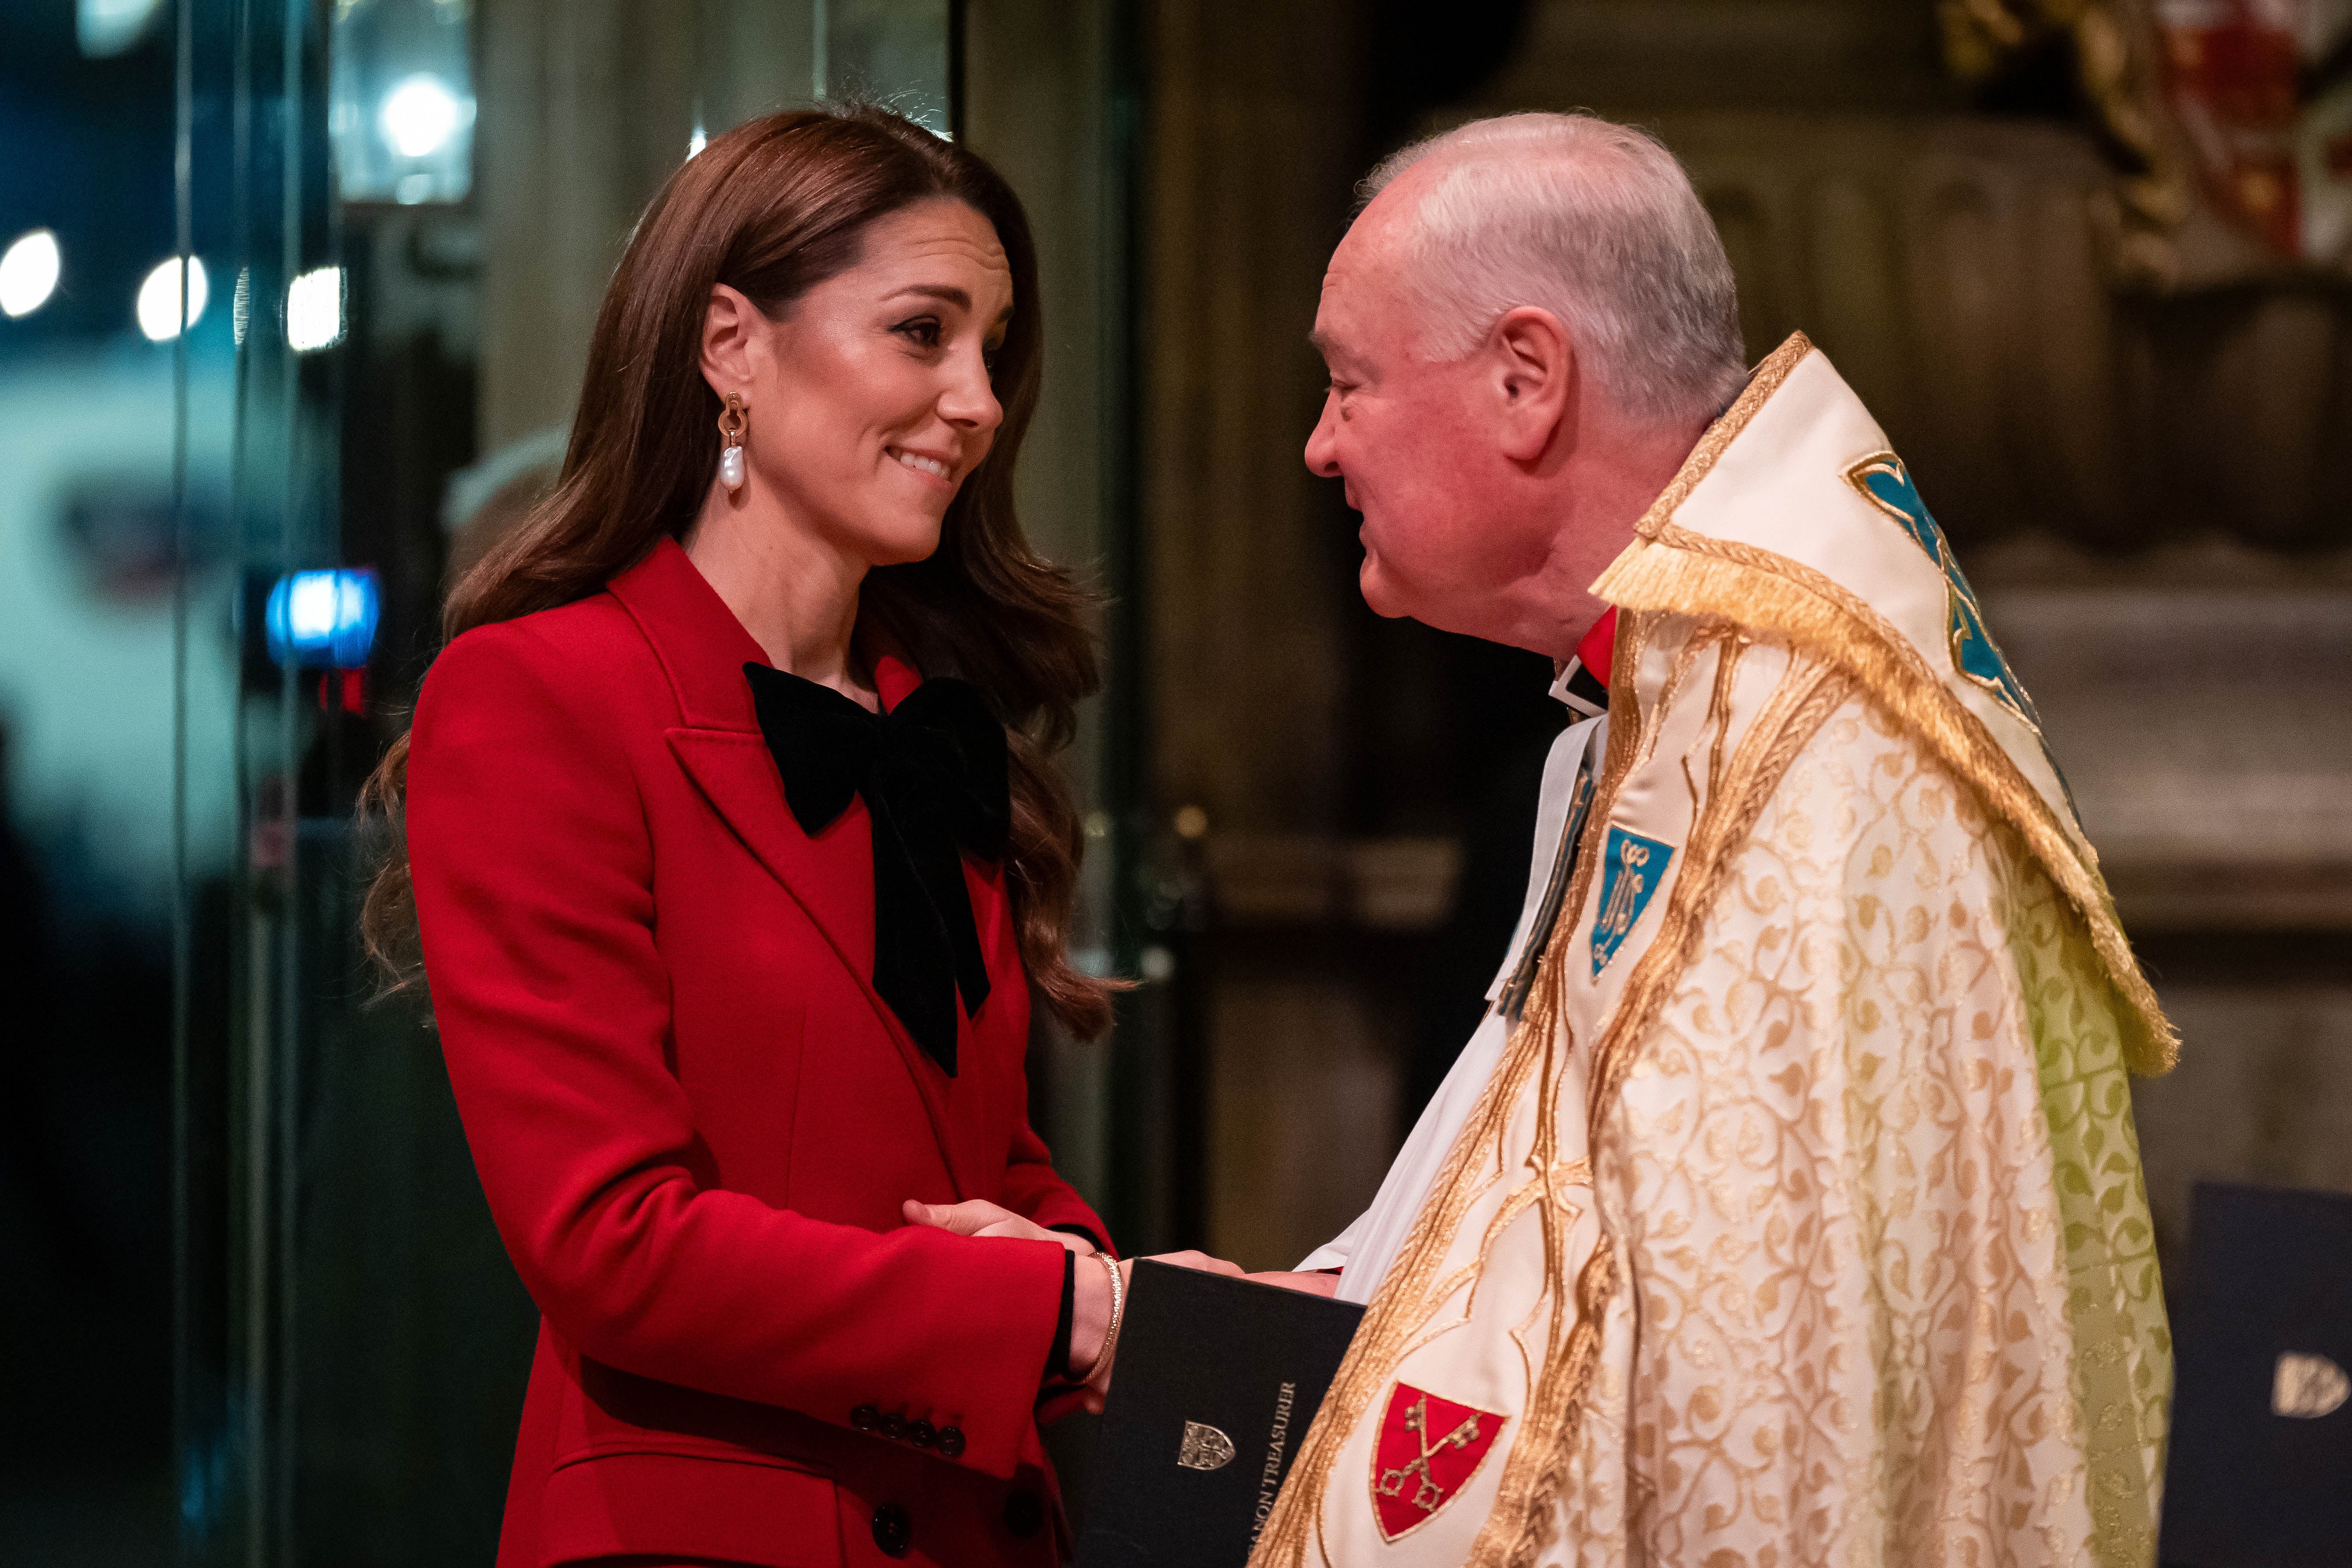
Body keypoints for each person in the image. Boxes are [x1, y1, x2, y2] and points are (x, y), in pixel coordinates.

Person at [1249, 112, 2175, 1567]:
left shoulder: (1803, 766)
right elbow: (1556, 1239)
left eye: (1348, 381)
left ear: (1524, 379)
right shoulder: (1677, 705)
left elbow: (1733, 1407)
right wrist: (1224, 1327)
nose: (1319, 445)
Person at [364, 105, 1231, 1568]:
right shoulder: (540, 694)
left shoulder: (928, 722)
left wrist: (1113, 1280)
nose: (975, 401)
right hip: (702, 1526)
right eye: (921, 332)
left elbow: (975, 1160)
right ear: (730, 347)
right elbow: (609, 1245)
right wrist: (1060, 1311)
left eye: (993, 349)